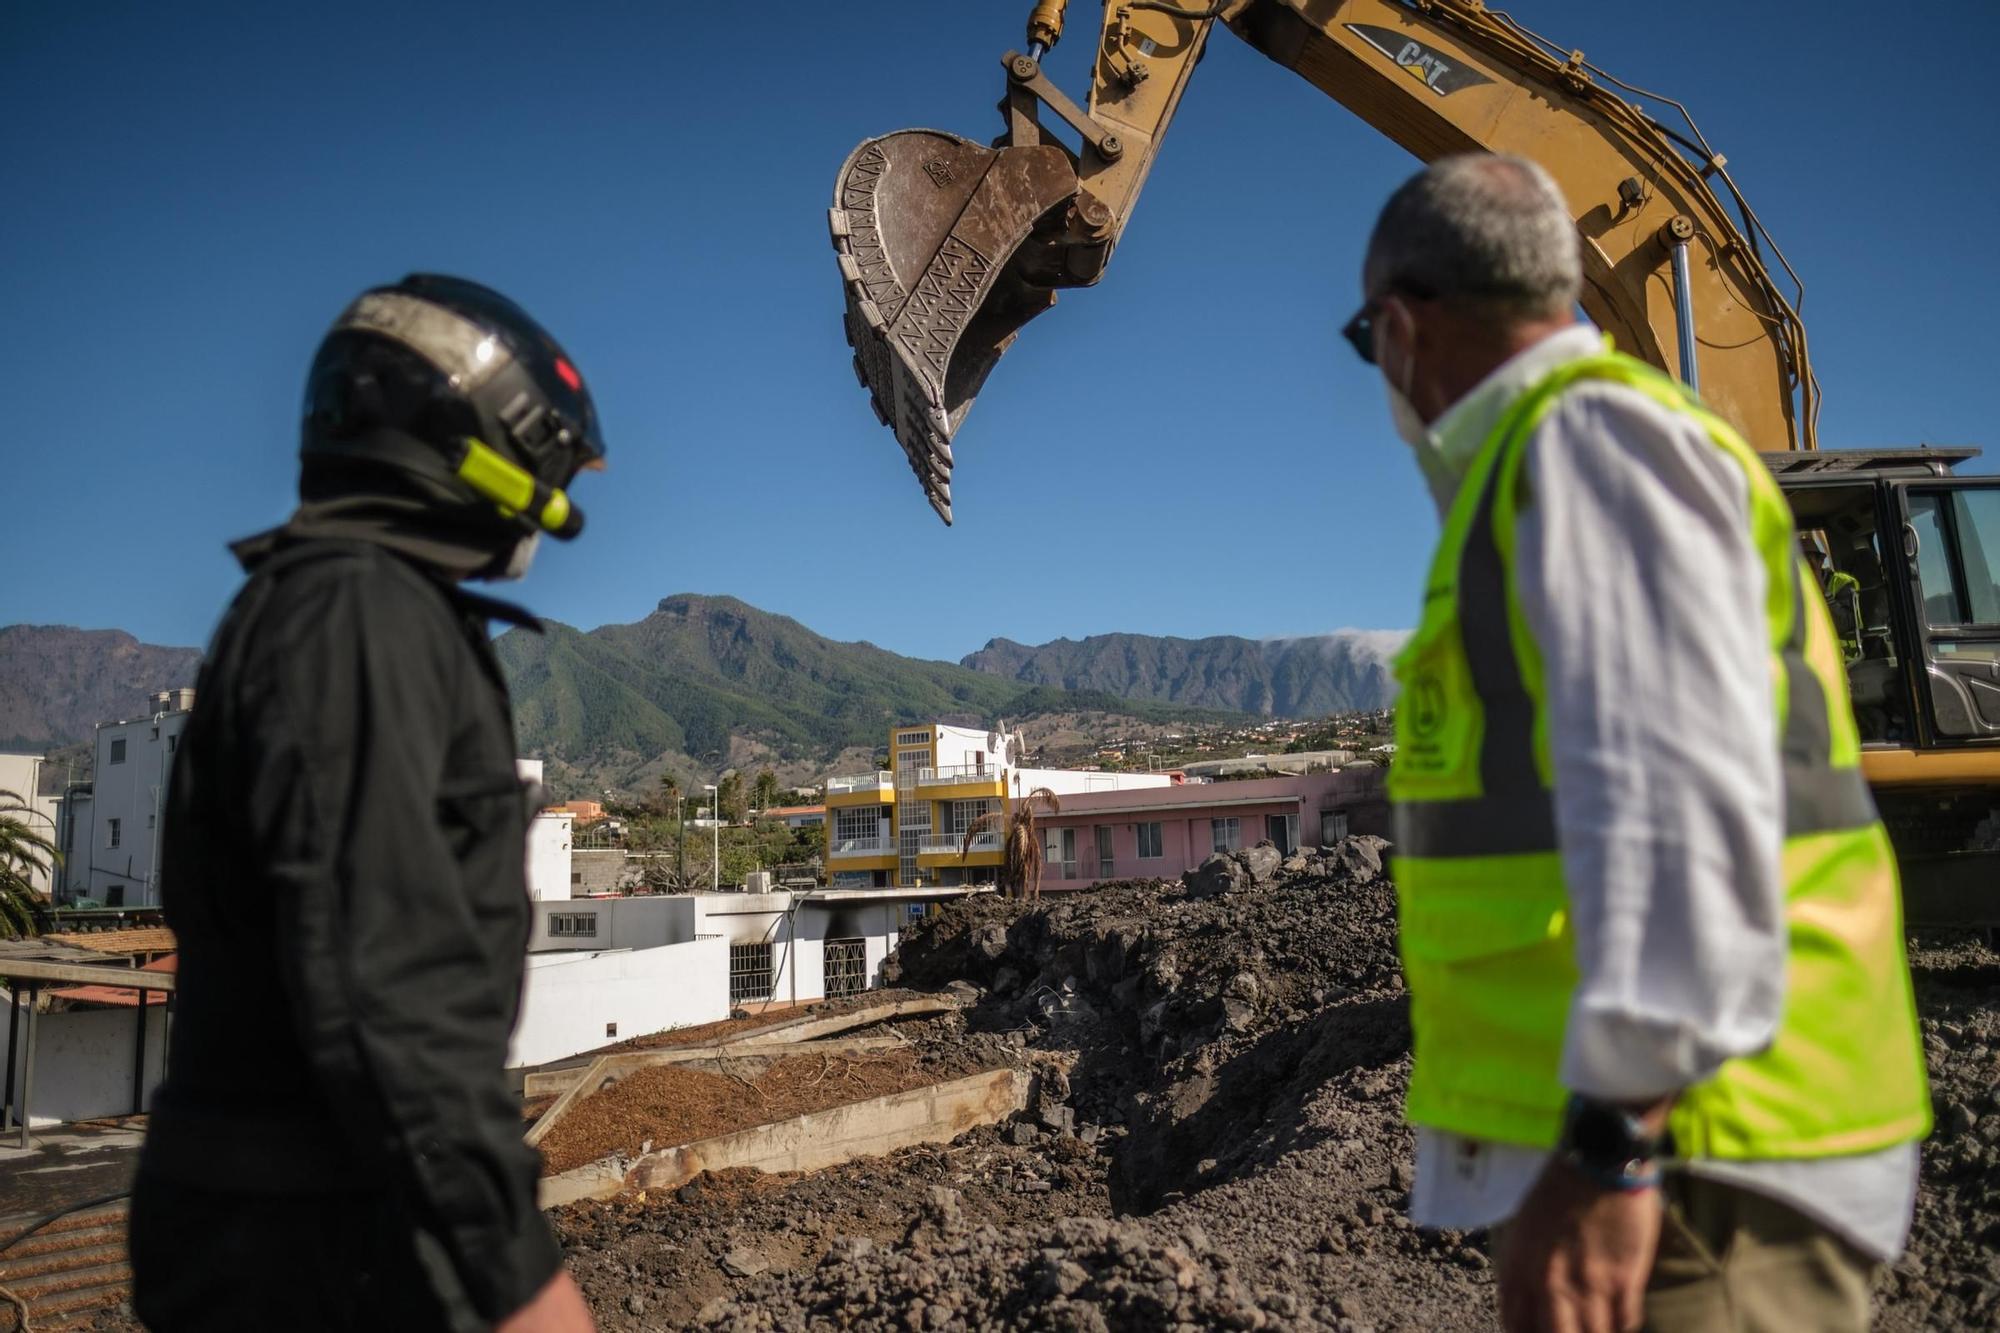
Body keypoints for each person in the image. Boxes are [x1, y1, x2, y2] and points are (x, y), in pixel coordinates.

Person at [1346, 155, 1929, 1333]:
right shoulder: (1568, 460)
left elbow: (1679, 809)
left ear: (1402, 329)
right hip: (1682, 1146)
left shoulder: (1584, 445)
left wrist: (1611, 1149)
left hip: (1697, 1160)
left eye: (1368, 347)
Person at [131, 275, 605, 1332]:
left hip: (308, 1223)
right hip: (313, 1248)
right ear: (472, 438)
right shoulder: (357, 614)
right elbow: (379, 971)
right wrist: (515, 1271)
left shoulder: (339, 606)